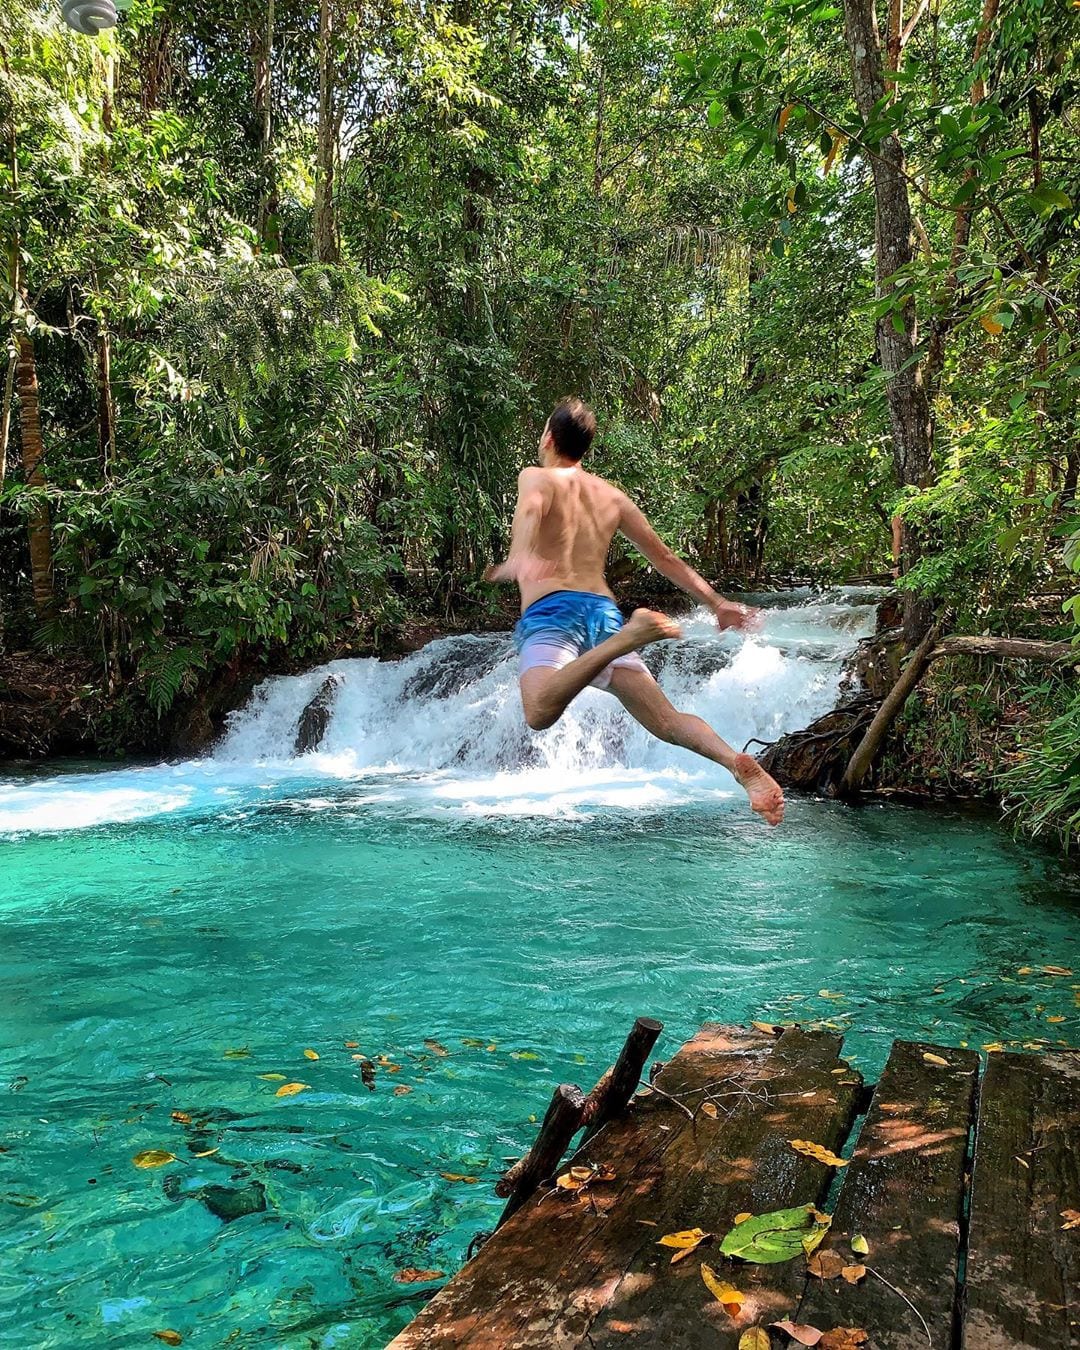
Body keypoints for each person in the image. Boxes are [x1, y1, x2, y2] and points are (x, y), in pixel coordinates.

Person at [486, 397, 785, 826]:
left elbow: (531, 507)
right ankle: (735, 764)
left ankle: (628, 636)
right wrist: (717, 603)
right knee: (665, 721)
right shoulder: (611, 496)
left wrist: (518, 557)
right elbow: (662, 556)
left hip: (554, 611)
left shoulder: (537, 475)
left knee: (537, 712)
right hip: (602, 612)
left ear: (549, 438)